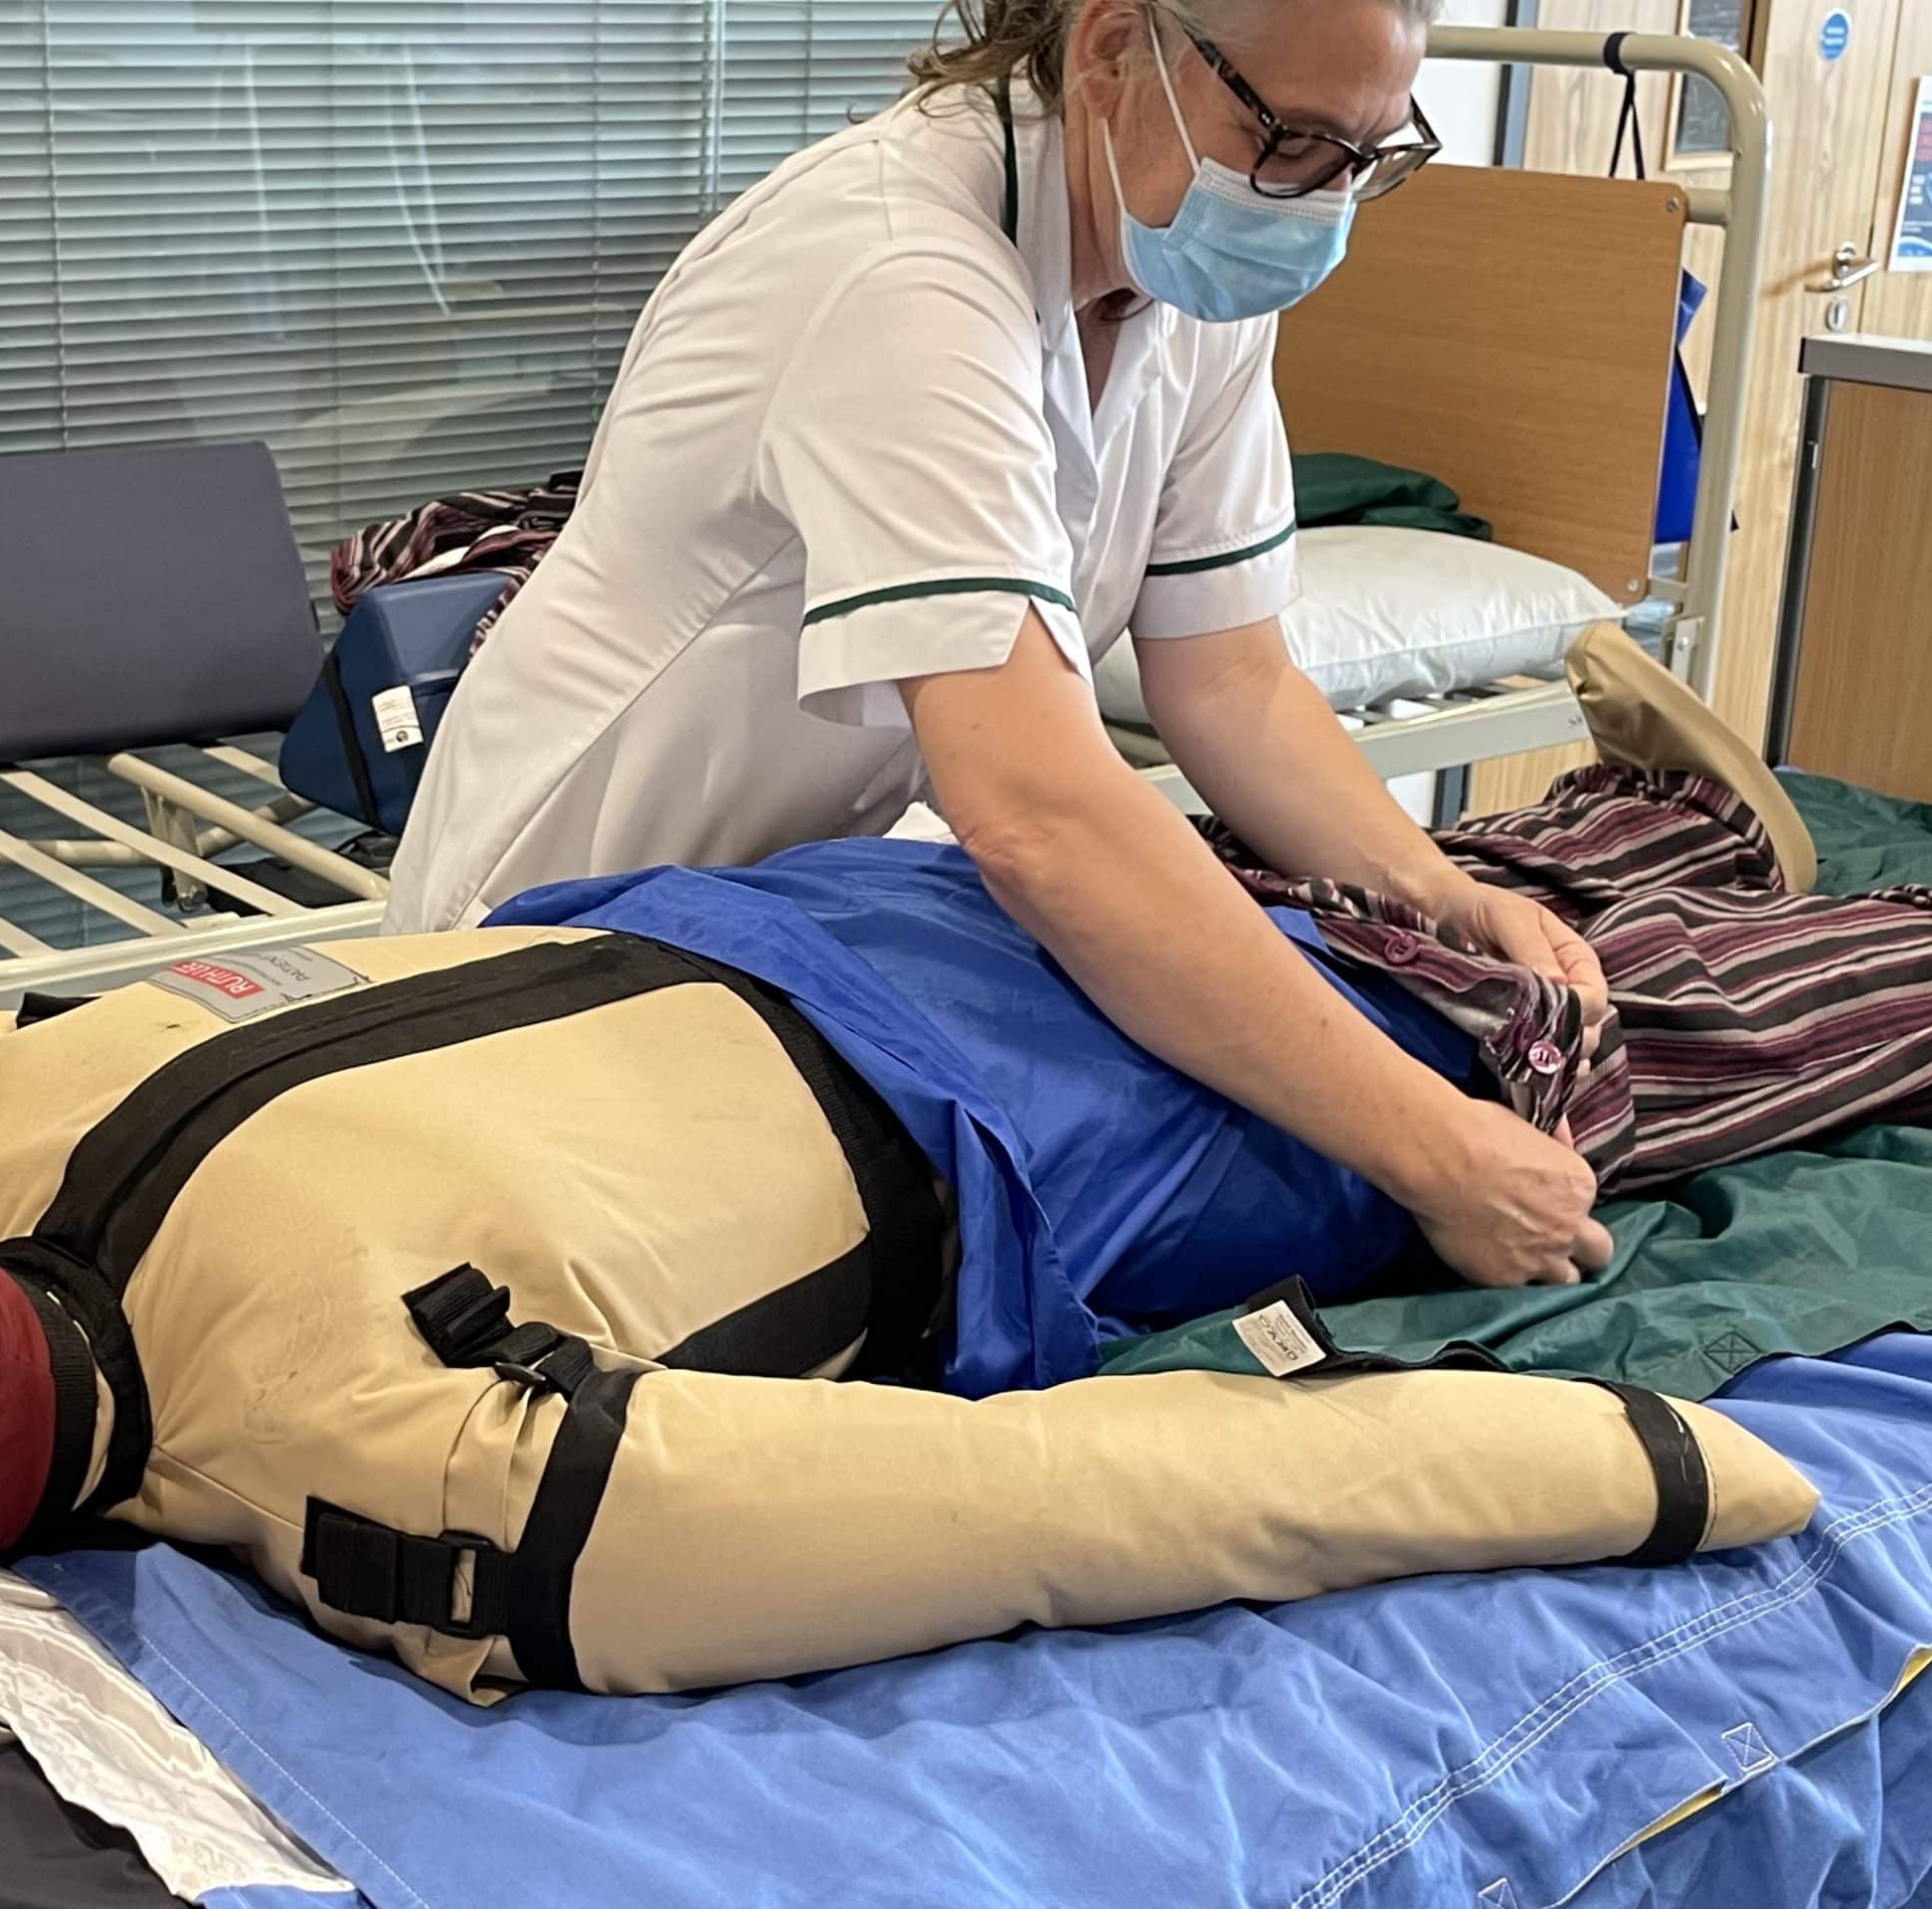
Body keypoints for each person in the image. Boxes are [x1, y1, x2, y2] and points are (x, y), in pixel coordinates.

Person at [384, 0, 1618, 1295]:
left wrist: (1441, 895)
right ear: (1109, 48)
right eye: (1295, 138)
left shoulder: (1181, 268)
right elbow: (1038, 816)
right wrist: (1437, 1155)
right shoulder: (898, 272)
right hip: (546, 950)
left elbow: (1235, 683)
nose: (1319, 205)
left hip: (785, 926)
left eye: (1371, 155)